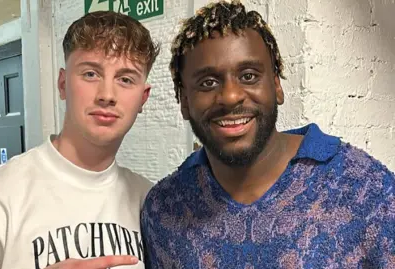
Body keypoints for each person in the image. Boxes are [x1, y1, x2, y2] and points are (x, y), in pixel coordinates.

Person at [141, 1, 395, 268]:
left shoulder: (365, 190)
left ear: (276, 85)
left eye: (249, 76)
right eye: (208, 82)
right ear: (184, 101)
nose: (230, 96)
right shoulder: (164, 208)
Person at [0, 10, 159, 269]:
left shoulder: (152, 203)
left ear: (143, 98)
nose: (107, 94)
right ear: (63, 85)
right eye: (90, 74)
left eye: (125, 79)